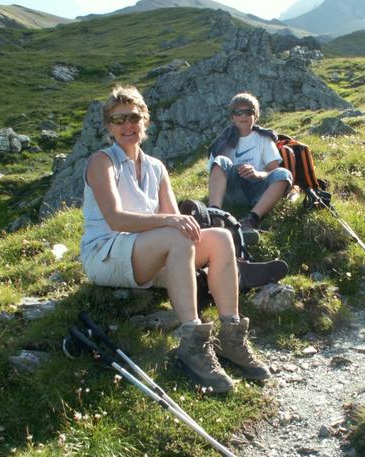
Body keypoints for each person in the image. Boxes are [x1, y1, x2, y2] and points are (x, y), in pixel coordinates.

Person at [80, 85, 271, 393]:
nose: (127, 125)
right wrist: (171, 221)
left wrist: (181, 224)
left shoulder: (155, 167)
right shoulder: (102, 162)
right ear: (108, 127)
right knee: (175, 233)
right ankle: (192, 344)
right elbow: (116, 219)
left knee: (221, 237)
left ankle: (232, 338)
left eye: (133, 117)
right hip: (107, 252)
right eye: (118, 120)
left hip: (148, 252)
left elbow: (176, 225)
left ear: (145, 121)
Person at [207, 92, 292, 239]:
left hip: (258, 191)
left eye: (248, 112)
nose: (243, 116)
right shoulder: (223, 141)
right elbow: (214, 170)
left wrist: (258, 174)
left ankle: (250, 220)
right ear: (232, 117)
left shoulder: (264, 138)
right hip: (233, 191)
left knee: (284, 174)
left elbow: (273, 168)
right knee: (220, 160)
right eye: (238, 112)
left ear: (256, 115)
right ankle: (216, 216)